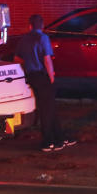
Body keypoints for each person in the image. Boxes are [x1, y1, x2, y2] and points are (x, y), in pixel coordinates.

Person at [15, 14, 75, 152]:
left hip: (32, 76)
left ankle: (60, 137)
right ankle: (48, 140)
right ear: (42, 26)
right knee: (47, 109)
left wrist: (27, 66)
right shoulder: (43, 38)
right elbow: (47, 59)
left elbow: (17, 58)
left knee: (49, 106)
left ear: (30, 26)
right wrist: (51, 76)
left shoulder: (24, 39)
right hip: (43, 76)